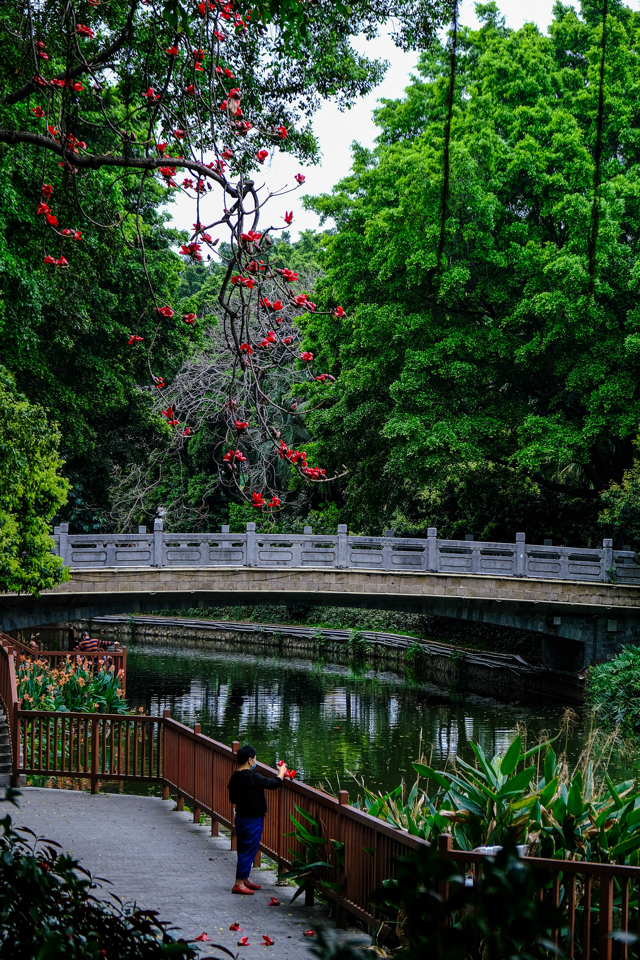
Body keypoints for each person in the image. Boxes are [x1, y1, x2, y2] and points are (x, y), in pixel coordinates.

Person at [227, 745, 288, 895]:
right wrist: (281, 772)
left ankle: (245, 878)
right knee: (249, 849)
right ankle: (239, 883)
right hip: (253, 819)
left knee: (243, 848)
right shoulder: (253, 776)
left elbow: (232, 798)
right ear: (249, 760)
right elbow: (274, 784)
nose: (256, 761)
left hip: (240, 817)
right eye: (255, 758)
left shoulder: (235, 777)